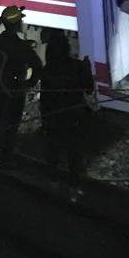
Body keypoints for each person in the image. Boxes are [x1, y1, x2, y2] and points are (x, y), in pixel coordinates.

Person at [0, 5, 43, 165]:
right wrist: (29, 83)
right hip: (14, 91)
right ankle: (4, 159)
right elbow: (37, 66)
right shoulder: (21, 46)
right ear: (17, 23)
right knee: (10, 125)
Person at [40, 32, 93, 194]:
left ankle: (52, 180)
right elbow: (89, 89)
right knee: (74, 151)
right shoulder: (77, 66)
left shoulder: (47, 69)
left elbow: (45, 96)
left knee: (53, 149)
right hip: (73, 115)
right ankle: (74, 184)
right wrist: (87, 68)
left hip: (52, 115)